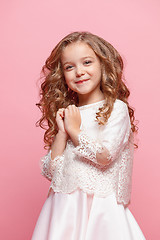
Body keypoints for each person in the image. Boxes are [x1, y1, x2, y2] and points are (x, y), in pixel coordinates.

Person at [32, 31, 146, 240]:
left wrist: (75, 131)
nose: (79, 72)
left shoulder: (115, 109)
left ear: (104, 65)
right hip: (62, 209)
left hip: (99, 209)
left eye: (87, 62)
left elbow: (104, 157)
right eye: (70, 67)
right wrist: (62, 133)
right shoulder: (70, 114)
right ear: (63, 75)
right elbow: (51, 172)